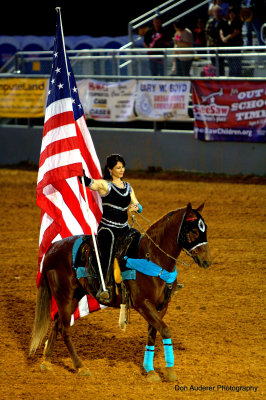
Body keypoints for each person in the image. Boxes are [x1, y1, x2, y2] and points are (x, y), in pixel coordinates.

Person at [81, 154, 142, 302]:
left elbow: (138, 205)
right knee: (107, 250)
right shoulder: (105, 185)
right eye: (118, 168)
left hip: (124, 228)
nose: (122, 170)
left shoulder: (128, 187)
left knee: (139, 242)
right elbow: (90, 183)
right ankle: (103, 286)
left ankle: (134, 281)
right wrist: (81, 175)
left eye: (122, 167)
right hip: (108, 228)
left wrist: (136, 208)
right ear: (110, 170)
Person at [220, 6, 243, 76]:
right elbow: (221, 30)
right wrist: (222, 38)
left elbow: (236, 32)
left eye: (233, 13)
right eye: (230, 13)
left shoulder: (238, 22)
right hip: (227, 46)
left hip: (235, 46)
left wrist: (226, 38)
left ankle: (238, 78)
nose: (231, 14)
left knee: (236, 63)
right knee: (230, 64)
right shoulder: (226, 22)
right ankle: (231, 78)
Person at [205, 4, 225, 75]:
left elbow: (224, 32)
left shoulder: (223, 22)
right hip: (212, 45)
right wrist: (211, 40)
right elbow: (207, 32)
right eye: (215, 12)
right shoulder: (210, 22)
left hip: (220, 45)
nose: (216, 13)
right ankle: (215, 76)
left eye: (218, 12)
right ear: (213, 12)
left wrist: (218, 40)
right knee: (213, 62)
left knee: (221, 63)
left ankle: (221, 77)